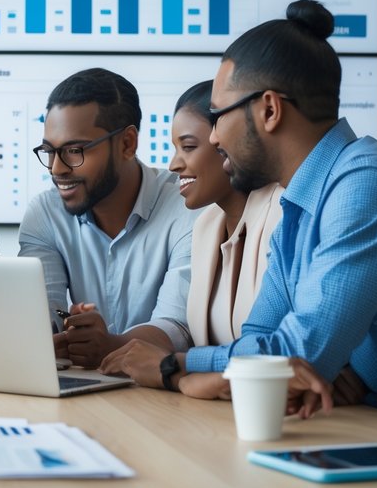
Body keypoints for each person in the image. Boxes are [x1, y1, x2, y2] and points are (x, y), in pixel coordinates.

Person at [155, 0, 377, 441]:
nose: (214, 136)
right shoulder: (299, 203)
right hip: (373, 429)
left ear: (270, 110)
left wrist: (174, 367)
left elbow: (296, 352)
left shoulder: (367, 187)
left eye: (218, 116)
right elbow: (264, 338)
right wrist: (252, 368)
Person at [98, 80, 283, 391]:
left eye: (188, 146)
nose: (174, 164)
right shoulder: (206, 225)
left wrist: (178, 372)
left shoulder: (280, 212)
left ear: (226, 141)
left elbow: (276, 353)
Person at [17, 68, 198, 368]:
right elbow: (41, 313)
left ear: (127, 143)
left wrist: (109, 346)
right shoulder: (44, 214)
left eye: (74, 150)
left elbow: (178, 327)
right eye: (49, 151)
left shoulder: (187, 205)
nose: (56, 169)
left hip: (163, 393)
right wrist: (48, 336)